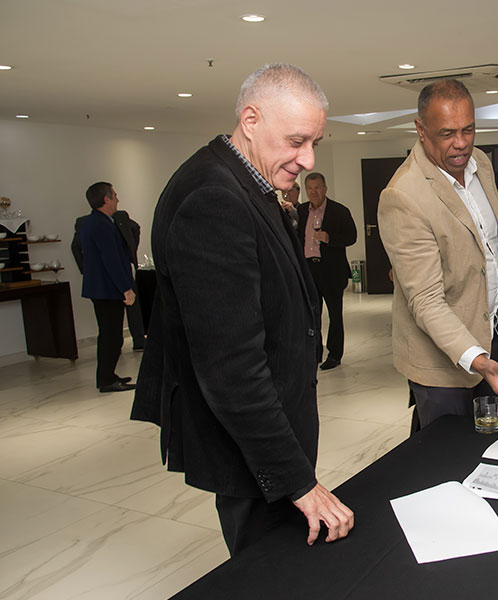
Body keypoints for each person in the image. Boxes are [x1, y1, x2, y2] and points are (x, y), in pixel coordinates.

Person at [131, 63, 353, 556]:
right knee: (268, 569)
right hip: (251, 446)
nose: (308, 159)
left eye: (314, 142)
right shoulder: (213, 197)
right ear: (250, 121)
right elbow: (230, 367)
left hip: (272, 431)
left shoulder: (244, 181)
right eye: (296, 141)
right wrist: (297, 481)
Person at [378, 79, 498, 431]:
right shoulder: (403, 195)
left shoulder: (481, 163)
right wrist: (477, 358)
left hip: (492, 339)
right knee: (448, 456)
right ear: (421, 130)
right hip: (440, 363)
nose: (461, 143)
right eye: (447, 133)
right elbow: (426, 300)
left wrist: (494, 341)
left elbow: (489, 249)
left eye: (468, 130)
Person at [79, 182, 137, 392]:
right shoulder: (101, 225)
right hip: (107, 289)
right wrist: (126, 288)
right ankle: (106, 380)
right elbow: (111, 260)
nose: (117, 199)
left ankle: (108, 375)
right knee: (111, 336)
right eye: (114, 195)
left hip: (102, 288)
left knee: (110, 335)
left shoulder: (95, 222)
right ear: (106, 199)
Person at [297, 172, 357, 370]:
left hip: (331, 271)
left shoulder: (339, 211)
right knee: (312, 315)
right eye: (309, 188)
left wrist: (329, 238)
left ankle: (334, 354)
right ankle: (315, 352)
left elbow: (351, 237)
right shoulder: (301, 211)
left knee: (335, 315)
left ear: (325, 188)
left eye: (317, 187)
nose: (313, 192)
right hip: (309, 270)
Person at [73, 208, 146, 350]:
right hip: (103, 276)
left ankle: (138, 340)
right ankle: (114, 345)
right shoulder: (85, 222)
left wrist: (130, 253)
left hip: (122, 269)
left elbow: (136, 229)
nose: (116, 201)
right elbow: (76, 247)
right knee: (109, 315)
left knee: (132, 306)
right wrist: (87, 270)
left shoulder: (120, 217)